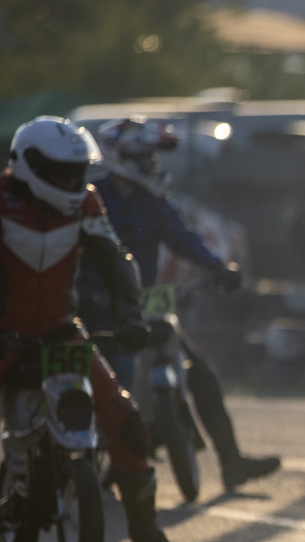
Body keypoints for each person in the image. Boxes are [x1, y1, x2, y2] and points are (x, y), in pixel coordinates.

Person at [0, 116, 181, 542]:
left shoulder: (87, 203)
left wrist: (131, 317)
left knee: (126, 418)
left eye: (77, 172)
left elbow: (116, 260)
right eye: (61, 172)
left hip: (61, 331)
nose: (71, 182)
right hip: (0, 334)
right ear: (28, 164)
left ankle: (146, 535)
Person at [81, 116, 280, 493]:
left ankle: (231, 460)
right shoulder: (92, 199)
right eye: (146, 157)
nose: (153, 165)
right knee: (112, 387)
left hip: (141, 305)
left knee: (201, 373)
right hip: (96, 313)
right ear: (122, 158)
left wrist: (218, 267)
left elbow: (183, 238)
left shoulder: (152, 201)